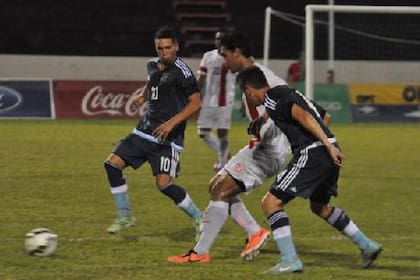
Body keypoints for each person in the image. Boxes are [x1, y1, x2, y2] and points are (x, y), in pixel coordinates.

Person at [236, 66, 383, 274]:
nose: (248, 99)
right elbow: (324, 115)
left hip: (316, 152)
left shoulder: (272, 98)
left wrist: (325, 146)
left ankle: (289, 259)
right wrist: (261, 120)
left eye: (246, 94)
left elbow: (303, 116)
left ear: (250, 91)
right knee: (320, 206)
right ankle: (367, 245)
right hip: (328, 151)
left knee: (271, 202)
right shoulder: (287, 92)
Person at [167, 32, 294, 264]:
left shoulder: (264, 76)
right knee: (215, 185)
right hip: (260, 146)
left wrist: (266, 121)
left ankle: (200, 252)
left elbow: (289, 97)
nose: (224, 62)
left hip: (269, 149)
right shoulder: (248, 75)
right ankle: (254, 232)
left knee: (221, 190)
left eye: (226, 56)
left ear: (237, 52)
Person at [104, 26, 203, 241]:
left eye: (168, 48)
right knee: (111, 165)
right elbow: (153, 82)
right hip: (143, 132)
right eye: (160, 48)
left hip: (168, 139)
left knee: (164, 184)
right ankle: (125, 216)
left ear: (176, 46)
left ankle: (199, 218)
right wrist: (143, 95)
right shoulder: (151, 65)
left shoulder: (183, 72)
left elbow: (196, 103)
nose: (164, 52)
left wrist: (170, 124)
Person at [196, 29, 236, 173]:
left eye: (222, 38)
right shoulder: (208, 56)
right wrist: (194, 94)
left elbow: (242, 77)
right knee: (203, 133)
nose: (219, 41)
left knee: (222, 134)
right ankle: (226, 155)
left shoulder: (233, 57)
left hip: (226, 101)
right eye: (217, 38)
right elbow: (201, 78)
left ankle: (222, 162)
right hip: (209, 100)